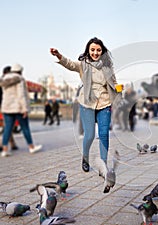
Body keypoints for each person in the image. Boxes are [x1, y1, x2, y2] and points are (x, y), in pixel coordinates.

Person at [50, 37, 122, 173]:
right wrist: (59, 55)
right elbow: (70, 64)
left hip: (104, 103)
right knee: (89, 135)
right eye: (93, 50)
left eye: (98, 50)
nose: (95, 52)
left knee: (104, 134)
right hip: (87, 103)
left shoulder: (107, 67)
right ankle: (85, 157)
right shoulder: (83, 65)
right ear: (88, 51)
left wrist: (118, 90)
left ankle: (103, 165)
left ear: (102, 51)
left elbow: (114, 83)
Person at [0, 64, 42, 157]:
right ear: (20, 71)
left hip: (7, 108)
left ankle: (5, 149)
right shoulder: (20, 79)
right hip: (18, 108)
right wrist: (24, 109)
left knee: (7, 128)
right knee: (25, 127)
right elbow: (21, 95)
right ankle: (31, 147)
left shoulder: (4, 79)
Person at [0, 66, 19, 151]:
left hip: (5, 106)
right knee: (7, 126)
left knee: (7, 126)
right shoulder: (4, 82)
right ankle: (7, 144)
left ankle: (11, 143)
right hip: (4, 106)